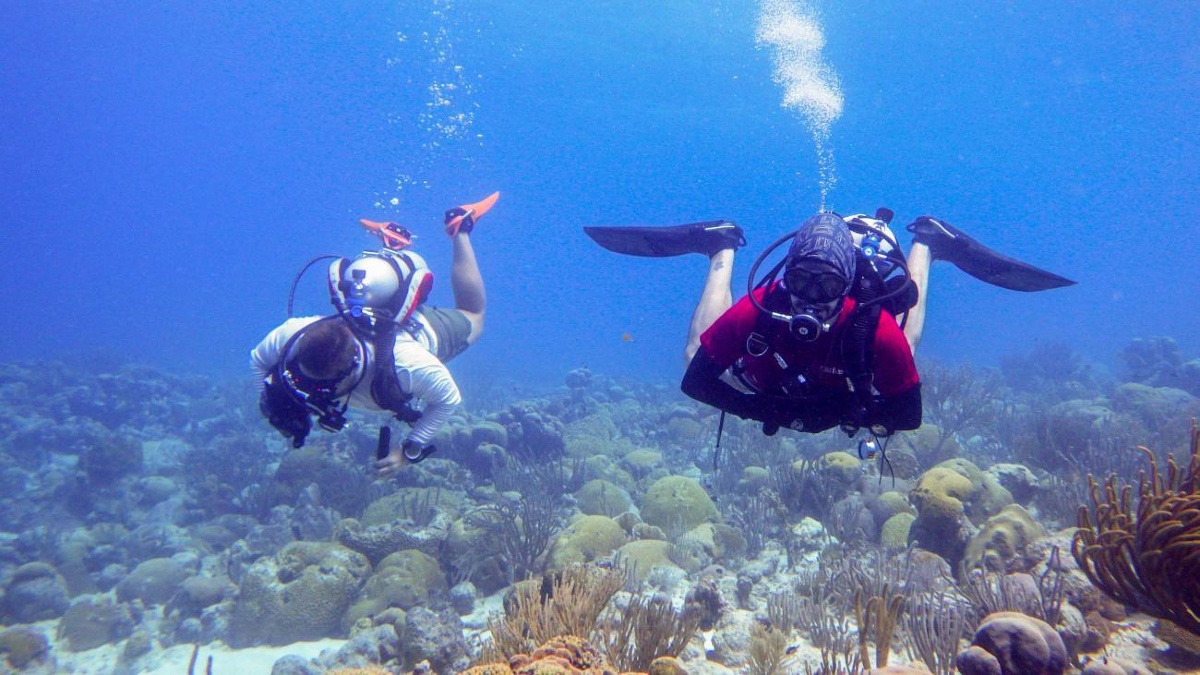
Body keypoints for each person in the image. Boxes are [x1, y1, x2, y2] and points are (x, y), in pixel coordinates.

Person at [585, 210, 1073, 438]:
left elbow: (909, 415)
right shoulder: (762, 306)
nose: (809, 298)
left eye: (826, 286)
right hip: (773, 387)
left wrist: (844, 412)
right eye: (801, 280)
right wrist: (766, 409)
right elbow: (696, 382)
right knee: (696, 351)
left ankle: (927, 244)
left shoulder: (871, 326)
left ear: (848, 285)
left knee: (907, 339)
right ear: (785, 277)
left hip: (837, 378)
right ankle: (721, 248)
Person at [252, 192, 498, 478]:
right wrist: (269, 399)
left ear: (352, 366)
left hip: (423, 331)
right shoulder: (291, 335)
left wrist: (410, 450)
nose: (319, 392)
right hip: (370, 309)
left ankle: (460, 228)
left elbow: (448, 400)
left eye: (326, 385)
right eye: (306, 378)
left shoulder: (407, 364)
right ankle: (392, 246)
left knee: (473, 315)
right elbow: (257, 360)